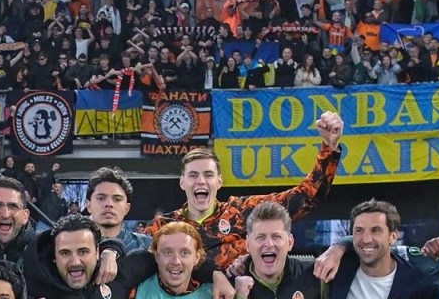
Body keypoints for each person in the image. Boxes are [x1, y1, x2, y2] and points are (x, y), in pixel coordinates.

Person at [139, 112, 342, 269]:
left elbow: (305, 199)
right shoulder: (162, 228)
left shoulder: (242, 212)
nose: (201, 181)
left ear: (219, 181)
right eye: (193, 175)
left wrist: (329, 147)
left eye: (208, 175)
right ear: (182, 182)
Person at [83, 167, 149, 254]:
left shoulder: (147, 246)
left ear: (127, 208)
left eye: (117, 199)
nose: (109, 204)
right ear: (88, 205)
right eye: (101, 198)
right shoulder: (71, 245)